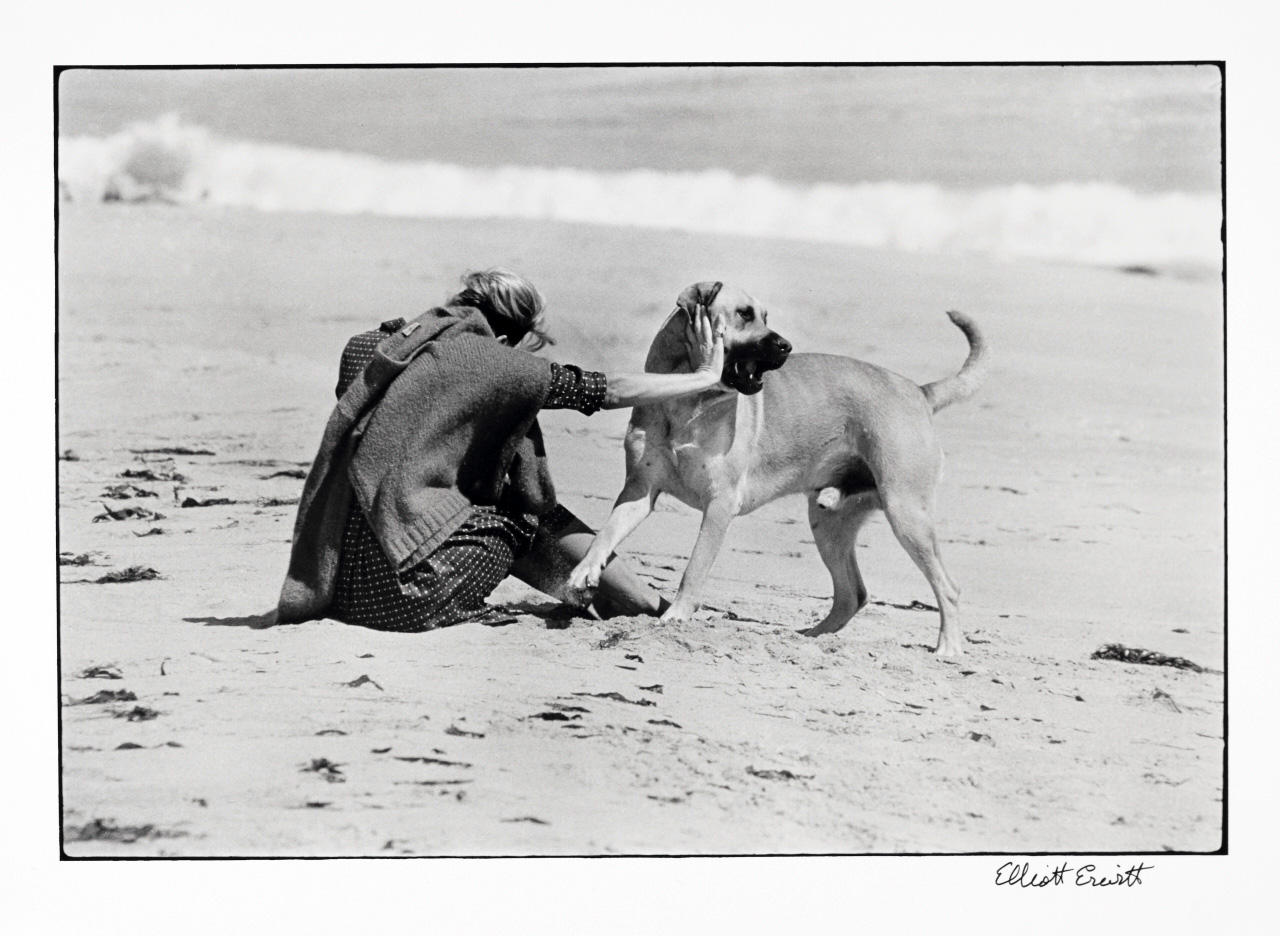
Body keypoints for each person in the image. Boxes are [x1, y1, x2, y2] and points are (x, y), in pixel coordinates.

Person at [277, 269, 726, 632]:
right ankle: (638, 601)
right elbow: (607, 391)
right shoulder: (497, 363)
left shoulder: (370, 346)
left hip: (336, 581)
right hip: (404, 600)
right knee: (524, 512)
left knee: (482, 495)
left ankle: (608, 594)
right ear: (511, 336)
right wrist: (704, 376)